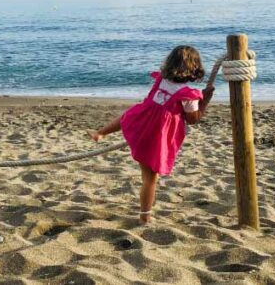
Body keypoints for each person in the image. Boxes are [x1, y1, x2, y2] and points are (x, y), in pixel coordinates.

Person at [90, 46, 215, 224]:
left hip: (141, 124)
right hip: (156, 138)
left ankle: (101, 133)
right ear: (194, 67)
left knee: (127, 117)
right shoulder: (188, 95)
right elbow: (193, 119)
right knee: (149, 180)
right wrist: (205, 101)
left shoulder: (161, 80)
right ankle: (145, 215)